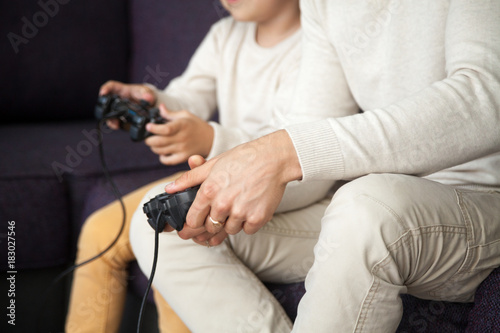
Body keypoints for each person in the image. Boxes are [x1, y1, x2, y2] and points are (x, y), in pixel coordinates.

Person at [131, 0, 500, 332]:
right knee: (163, 221)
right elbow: (308, 160)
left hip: (478, 201)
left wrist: (283, 153)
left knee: (365, 206)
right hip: (374, 204)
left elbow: (488, 99)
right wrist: (239, 184)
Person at [66, 0, 335, 332]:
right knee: (98, 231)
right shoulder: (225, 35)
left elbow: (290, 148)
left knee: (175, 233)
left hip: (284, 191)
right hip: (219, 175)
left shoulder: (318, 44)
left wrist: (209, 139)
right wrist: (150, 100)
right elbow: (188, 96)